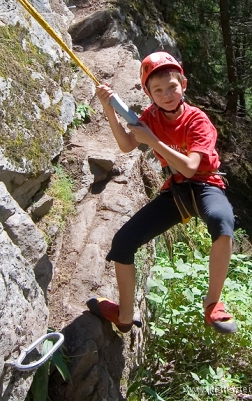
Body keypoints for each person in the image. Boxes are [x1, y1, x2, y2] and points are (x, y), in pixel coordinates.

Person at [86, 51, 237, 335]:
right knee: (123, 243)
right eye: (158, 90)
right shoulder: (150, 116)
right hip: (177, 190)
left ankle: (213, 303)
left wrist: (153, 140)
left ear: (184, 85)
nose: (166, 94)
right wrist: (109, 109)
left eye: (172, 87)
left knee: (222, 222)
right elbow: (127, 145)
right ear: (148, 93)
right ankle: (125, 316)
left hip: (205, 184)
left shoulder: (197, 120)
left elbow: (192, 167)